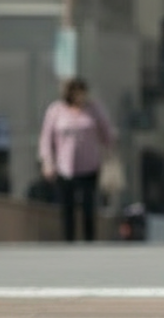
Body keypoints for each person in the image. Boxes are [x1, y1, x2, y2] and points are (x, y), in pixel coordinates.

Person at [38, 77, 115, 242]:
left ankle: (89, 240)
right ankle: (68, 241)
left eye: (82, 92)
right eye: (76, 92)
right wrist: (47, 162)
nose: (80, 96)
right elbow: (46, 139)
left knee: (88, 206)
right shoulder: (56, 110)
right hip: (65, 167)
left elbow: (107, 133)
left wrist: (111, 149)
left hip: (89, 166)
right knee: (67, 208)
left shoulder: (94, 109)